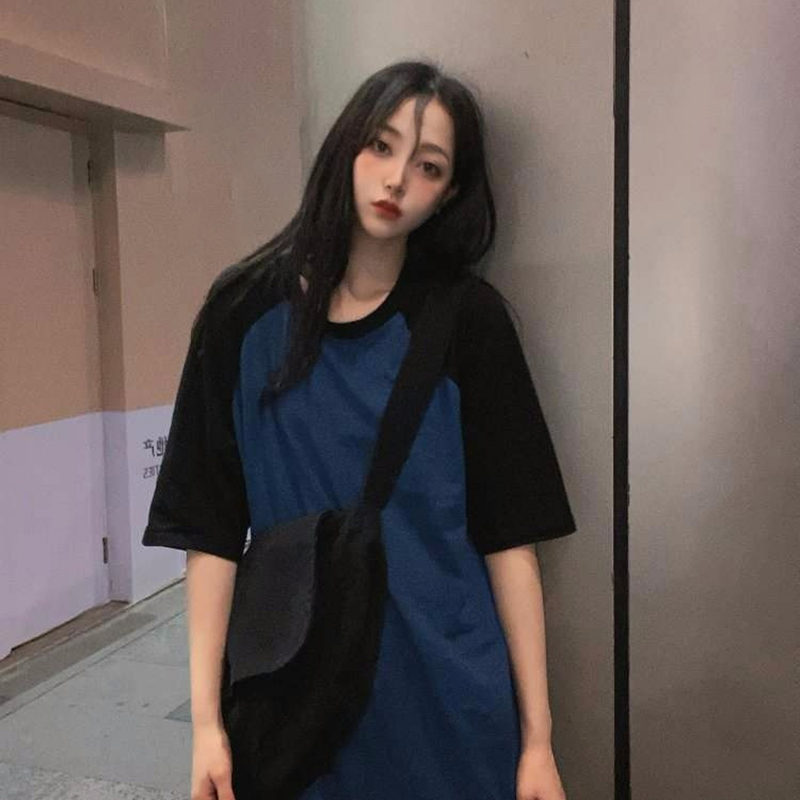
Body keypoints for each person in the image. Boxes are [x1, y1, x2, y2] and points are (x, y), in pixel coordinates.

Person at [143, 59, 577, 800]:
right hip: (295, 704)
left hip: (446, 701)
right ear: (346, 146)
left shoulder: (468, 322)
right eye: (380, 146)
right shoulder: (241, 314)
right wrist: (207, 724)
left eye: (428, 166)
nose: (396, 179)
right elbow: (209, 531)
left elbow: (510, 540)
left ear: (448, 193)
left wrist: (538, 740)